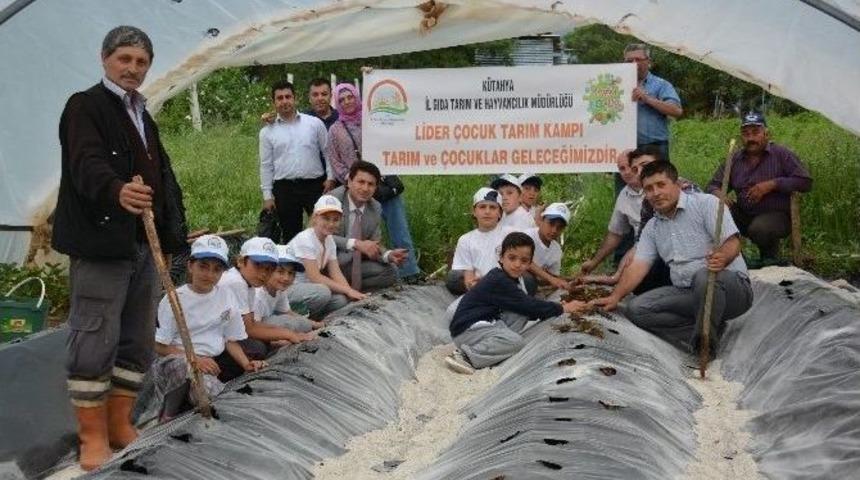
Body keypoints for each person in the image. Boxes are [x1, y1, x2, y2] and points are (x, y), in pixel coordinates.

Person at [52, 26, 188, 470]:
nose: (132, 68)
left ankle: (119, 423)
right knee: (94, 335)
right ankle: (91, 437)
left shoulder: (143, 115)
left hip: (142, 246)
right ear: (105, 59)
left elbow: (163, 179)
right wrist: (116, 191)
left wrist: (170, 240)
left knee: (135, 337)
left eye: (141, 62)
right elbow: (84, 163)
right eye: (124, 59)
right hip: (101, 244)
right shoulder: (85, 106)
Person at [592, 161, 753, 354]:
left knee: (704, 277)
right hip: (688, 293)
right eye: (649, 189)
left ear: (677, 185)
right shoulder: (652, 228)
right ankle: (705, 331)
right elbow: (638, 266)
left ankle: (705, 344)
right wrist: (615, 296)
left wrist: (723, 257)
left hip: (730, 290)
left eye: (661, 185)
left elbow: (733, 243)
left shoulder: (707, 204)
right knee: (637, 309)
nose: (656, 193)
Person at [152, 235, 267, 416]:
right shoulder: (174, 299)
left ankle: (194, 400)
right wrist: (194, 359)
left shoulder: (226, 296)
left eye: (216, 269)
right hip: (177, 364)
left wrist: (247, 364)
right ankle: (167, 415)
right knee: (184, 368)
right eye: (203, 267)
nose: (209, 274)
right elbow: (159, 346)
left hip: (210, 362)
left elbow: (230, 339)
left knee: (225, 397)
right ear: (190, 266)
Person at [445, 232, 587, 374]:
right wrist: (562, 308)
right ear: (501, 257)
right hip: (466, 329)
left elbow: (526, 306)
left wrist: (551, 309)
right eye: (512, 258)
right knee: (516, 342)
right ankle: (465, 357)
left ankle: (493, 346)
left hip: (483, 323)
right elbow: (529, 306)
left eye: (524, 260)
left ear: (530, 263)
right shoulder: (499, 279)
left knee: (520, 312)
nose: (517, 264)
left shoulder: (513, 279)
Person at [324, 81, 423, 282]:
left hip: (382, 182)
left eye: (350, 96)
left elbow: (390, 143)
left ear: (357, 97)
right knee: (357, 230)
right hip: (356, 188)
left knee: (399, 228)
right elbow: (335, 160)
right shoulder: (335, 130)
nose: (346, 102)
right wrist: (353, 183)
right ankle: (347, 274)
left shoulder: (374, 119)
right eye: (341, 99)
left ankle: (410, 271)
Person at [707, 112, 812, 266]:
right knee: (716, 209)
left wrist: (771, 185)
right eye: (746, 134)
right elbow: (712, 185)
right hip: (744, 215)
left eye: (755, 132)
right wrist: (719, 195)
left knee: (760, 228)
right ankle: (736, 259)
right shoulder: (734, 159)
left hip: (777, 217)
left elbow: (805, 182)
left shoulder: (781, 154)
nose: (751, 138)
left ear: (766, 134)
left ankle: (770, 258)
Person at [219, 237, 315, 368]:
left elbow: (250, 324)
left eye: (269, 268)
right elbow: (249, 329)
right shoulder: (236, 282)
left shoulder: (249, 285)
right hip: (208, 337)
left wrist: (290, 335)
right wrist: (289, 335)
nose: (263, 273)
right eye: (258, 265)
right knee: (258, 348)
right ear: (241, 261)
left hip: (225, 333)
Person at [259, 80, 335, 244]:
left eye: (288, 96)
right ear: (274, 102)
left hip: (315, 186)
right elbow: (266, 165)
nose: (284, 101)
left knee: (322, 232)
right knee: (291, 235)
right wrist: (267, 196)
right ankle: (294, 269)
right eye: (280, 98)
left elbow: (328, 152)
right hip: (285, 189)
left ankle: (322, 268)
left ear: (296, 98)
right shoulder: (266, 132)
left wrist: (330, 177)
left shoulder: (314, 124)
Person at [329, 161, 408, 291]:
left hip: (352, 265)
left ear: (376, 187)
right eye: (361, 182)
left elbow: (373, 243)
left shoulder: (375, 207)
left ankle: (351, 292)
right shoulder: (332, 199)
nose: (365, 188)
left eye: (370, 184)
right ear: (349, 182)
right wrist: (355, 243)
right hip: (328, 264)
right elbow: (321, 235)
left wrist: (388, 254)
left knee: (391, 271)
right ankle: (339, 290)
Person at [287, 195, 367, 310]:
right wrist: (348, 290)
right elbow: (315, 277)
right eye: (326, 218)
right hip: (289, 287)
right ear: (315, 218)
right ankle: (297, 314)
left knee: (341, 300)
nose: (331, 224)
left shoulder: (329, 240)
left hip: (310, 289)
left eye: (335, 220)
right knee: (323, 292)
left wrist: (351, 294)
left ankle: (313, 315)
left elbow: (336, 273)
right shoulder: (305, 239)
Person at [580, 150, 643, 278]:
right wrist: (594, 262)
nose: (627, 171)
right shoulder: (624, 196)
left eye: (630, 166)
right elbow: (615, 233)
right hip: (641, 249)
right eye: (622, 168)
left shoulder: (665, 184)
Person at [446, 187, 512, 295]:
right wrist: (474, 285)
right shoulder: (465, 240)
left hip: (505, 285)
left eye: (492, 207)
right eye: (482, 207)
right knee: (453, 277)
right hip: (479, 286)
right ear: (474, 212)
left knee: (528, 281)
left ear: (500, 213)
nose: (487, 211)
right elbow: (469, 277)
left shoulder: (510, 234)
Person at [624, 43, 683, 163]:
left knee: (656, 181)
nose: (634, 63)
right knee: (625, 182)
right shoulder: (615, 85)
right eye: (629, 60)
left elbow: (676, 111)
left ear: (648, 61)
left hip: (655, 147)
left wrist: (647, 98)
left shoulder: (661, 85)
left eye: (638, 59)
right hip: (625, 149)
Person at [255, 246, 325, 332]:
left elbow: (288, 312)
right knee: (292, 324)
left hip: (263, 322)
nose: (286, 278)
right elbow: (253, 328)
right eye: (280, 272)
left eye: (291, 273)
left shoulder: (279, 290)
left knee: (303, 324)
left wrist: (314, 324)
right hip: (251, 331)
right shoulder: (258, 295)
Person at [525, 203, 571, 291]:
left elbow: (553, 277)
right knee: (528, 280)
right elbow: (525, 262)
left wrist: (568, 282)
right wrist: (550, 278)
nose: (554, 230)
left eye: (559, 227)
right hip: (515, 283)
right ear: (542, 220)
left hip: (534, 290)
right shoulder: (527, 236)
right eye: (551, 224)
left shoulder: (557, 250)